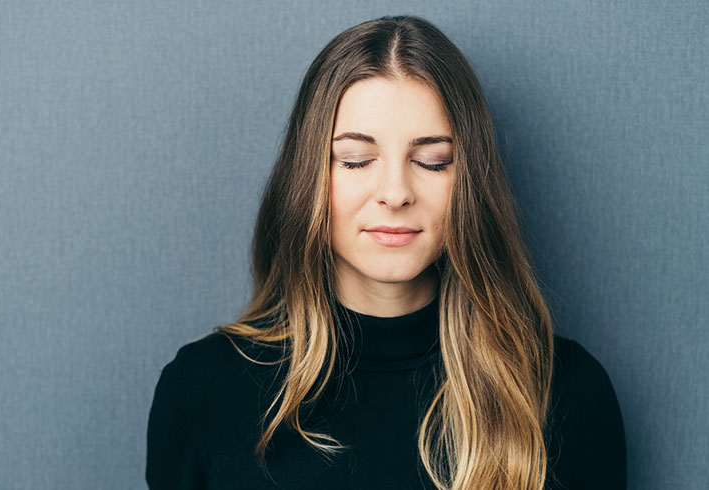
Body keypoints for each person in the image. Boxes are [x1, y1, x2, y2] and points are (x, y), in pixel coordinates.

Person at [145, 15, 626, 490]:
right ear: (309, 176)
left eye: (432, 161)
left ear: (469, 184)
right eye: (356, 159)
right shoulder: (201, 391)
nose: (395, 192)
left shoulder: (566, 392)